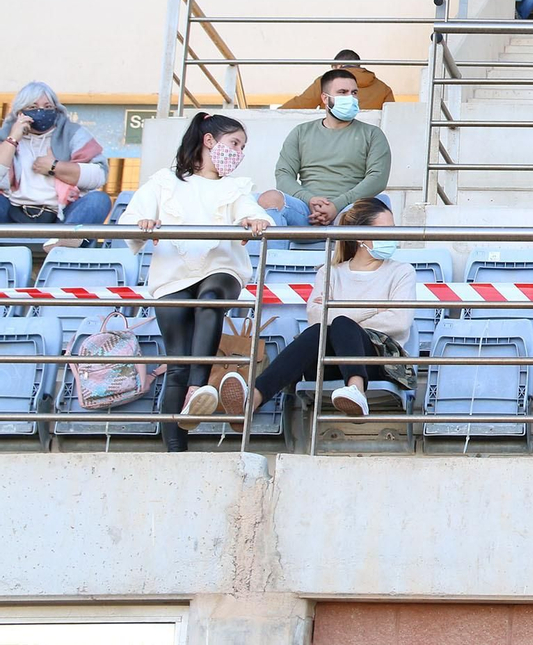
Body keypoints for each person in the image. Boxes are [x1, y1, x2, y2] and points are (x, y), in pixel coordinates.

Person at [118, 112, 271, 451]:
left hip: (221, 268)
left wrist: (253, 220)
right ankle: (175, 449)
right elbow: (131, 219)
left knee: (211, 296)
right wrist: (145, 222)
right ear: (208, 141)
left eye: (242, 147)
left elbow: (253, 211)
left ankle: (198, 388)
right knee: (177, 364)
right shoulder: (164, 181)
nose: (239, 152)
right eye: (234, 143)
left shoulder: (236, 186)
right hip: (172, 276)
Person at [219, 198, 414, 425]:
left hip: (378, 361)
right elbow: (315, 317)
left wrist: (340, 315)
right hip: (328, 361)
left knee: (338, 324)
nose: (394, 236)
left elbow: (399, 321)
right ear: (361, 235)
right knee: (319, 331)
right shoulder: (329, 273)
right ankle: (251, 400)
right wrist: (375, 307)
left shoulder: (402, 272)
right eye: (386, 230)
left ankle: (356, 390)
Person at [258, 69, 392, 228]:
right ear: (325, 98)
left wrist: (337, 205)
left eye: (354, 93)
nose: (350, 98)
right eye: (342, 92)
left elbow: (378, 178)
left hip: (350, 209)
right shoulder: (301, 132)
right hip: (306, 209)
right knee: (269, 199)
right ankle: (271, 254)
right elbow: (283, 174)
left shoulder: (372, 134)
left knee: (373, 209)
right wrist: (309, 200)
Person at [0, 82, 111, 237]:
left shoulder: (72, 133)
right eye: (32, 107)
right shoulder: (5, 136)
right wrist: (13, 139)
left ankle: (65, 242)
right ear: (20, 112)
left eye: (47, 106)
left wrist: (55, 167)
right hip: (12, 214)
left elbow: (99, 175)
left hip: (61, 217)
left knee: (99, 200)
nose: (41, 111)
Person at [282, 52, 396, 111]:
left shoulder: (327, 80)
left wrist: (269, 114)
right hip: (369, 142)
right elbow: (392, 118)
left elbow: (302, 104)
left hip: (331, 138)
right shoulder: (383, 88)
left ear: (339, 65)